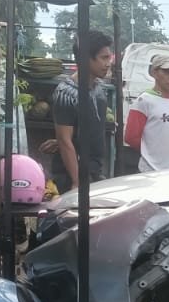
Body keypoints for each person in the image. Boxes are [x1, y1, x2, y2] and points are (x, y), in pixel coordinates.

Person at [42, 30, 115, 192]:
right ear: (86, 59)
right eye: (104, 58)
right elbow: (65, 140)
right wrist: (77, 181)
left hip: (94, 170)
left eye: (109, 58)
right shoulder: (66, 93)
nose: (108, 63)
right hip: (72, 175)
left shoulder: (99, 89)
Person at [122, 54, 169, 174]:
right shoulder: (144, 100)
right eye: (168, 72)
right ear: (155, 73)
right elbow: (130, 137)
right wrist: (151, 154)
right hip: (151, 171)